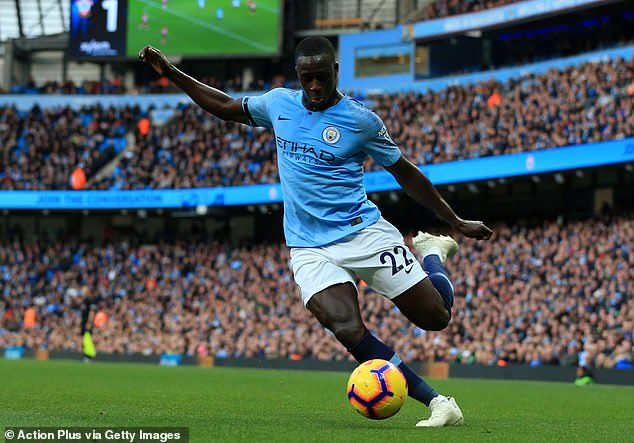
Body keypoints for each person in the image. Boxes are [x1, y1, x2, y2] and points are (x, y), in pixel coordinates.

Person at [139, 36, 493, 427]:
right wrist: (170, 72)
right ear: (298, 75)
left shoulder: (361, 121)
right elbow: (224, 106)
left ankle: (431, 254)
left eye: (322, 77)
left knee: (436, 318)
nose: (315, 87)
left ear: (335, 71)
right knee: (346, 327)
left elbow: (405, 173)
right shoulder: (278, 104)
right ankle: (438, 403)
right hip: (309, 247)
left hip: (363, 233)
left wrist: (454, 220)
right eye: (307, 78)